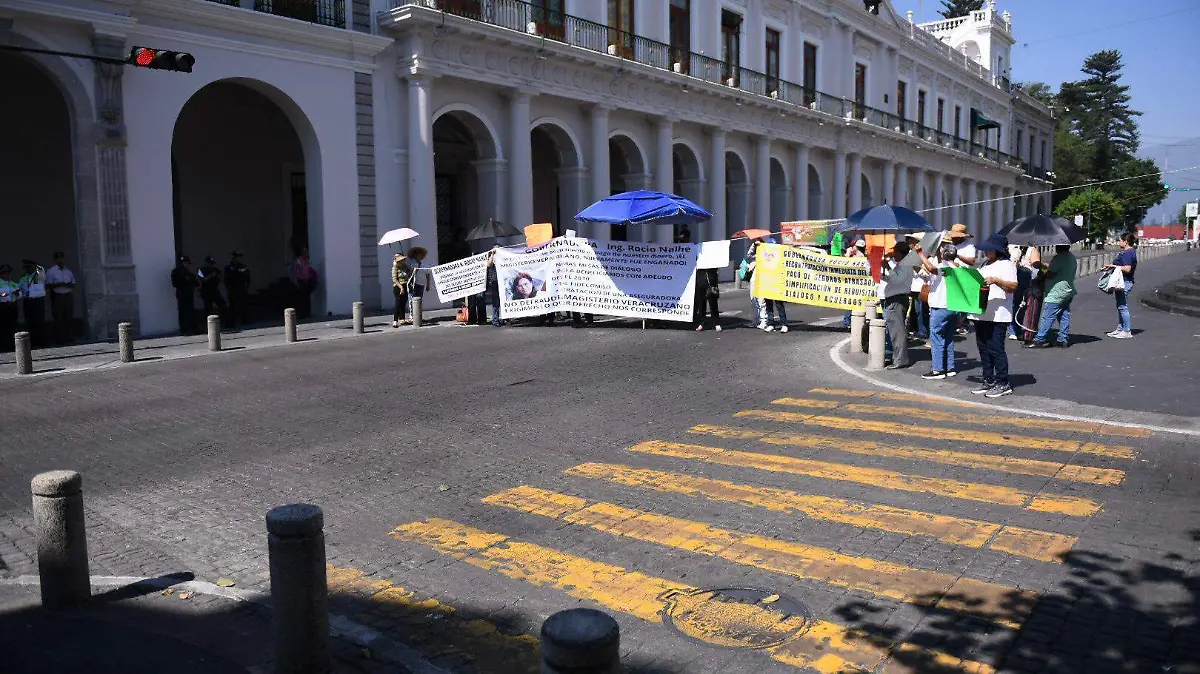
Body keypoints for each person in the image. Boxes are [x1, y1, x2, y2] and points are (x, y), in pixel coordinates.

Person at [968, 234, 1018, 398]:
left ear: (999, 250)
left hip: (998, 315)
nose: (987, 252)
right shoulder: (984, 264)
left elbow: (1013, 286)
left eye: (990, 250)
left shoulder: (1007, 265)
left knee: (996, 349)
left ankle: (1003, 382)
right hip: (981, 314)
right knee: (983, 349)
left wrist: (996, 280)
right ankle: (988, 379)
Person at [917, 238, 962, 380]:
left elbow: (931, 268)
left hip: (940, 306)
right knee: (948, 338)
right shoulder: (958, 267)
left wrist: (920, 254)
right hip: (953, 306)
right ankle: (950, 367)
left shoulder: (943, 267)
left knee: (937, 338)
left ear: (944, 255)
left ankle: (938, 370)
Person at [1025, 245, 1077, 348]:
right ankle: (1063, 339)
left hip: (1056, 292)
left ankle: (1039, 339)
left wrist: (1041, 272)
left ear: (1058, 247)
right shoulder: (1071, 257)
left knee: (1048, 316)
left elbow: (1050, 274)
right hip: (1068, 290)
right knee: (1063, 315)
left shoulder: (1058, 258)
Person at [882, 240, 917, 369]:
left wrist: (888, 268)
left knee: (897, 332)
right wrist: (882, 276)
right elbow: (894, 280)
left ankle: (900, 359)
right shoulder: (902, 264)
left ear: (900, 253)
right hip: (896, 299)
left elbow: (897, 280)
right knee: (895, 331)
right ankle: (898, 357)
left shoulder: (905, 265)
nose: (893, 254)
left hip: (897, 300)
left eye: (895, 252)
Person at [1104, 233, 1138, 339]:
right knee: (1120, 305)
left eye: (1120, 240)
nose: (1118, 242)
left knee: (1122, 306)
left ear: (1125, 242)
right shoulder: (1126, 252)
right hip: (1122, 281)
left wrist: (1114, 266)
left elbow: (1127, 268)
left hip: (1125, 282)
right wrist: (1111, 267)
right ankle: (1120, 328)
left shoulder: (1128, 253)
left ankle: (1126, 330)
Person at [945, 224, 975, 336]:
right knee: (953, 301)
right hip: (952, 274)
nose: (953, 238)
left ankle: (963, 324)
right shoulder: (950, 245)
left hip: (964, 275)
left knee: (963, 302)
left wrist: (957, 255)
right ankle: (954, 323)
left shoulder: (969, 247)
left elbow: (971, 261)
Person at [1006, 244, 1040, 341]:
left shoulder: (1011, 247)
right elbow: (1036, 264)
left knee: (1013, 303)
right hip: (1025, 275)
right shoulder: (1032, 249)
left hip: (1012, 274)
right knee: (1022, 303)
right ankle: (1015, 330)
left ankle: (1012, 329)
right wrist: (1045, 267)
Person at [46, 252, 77, 344]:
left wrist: (66, 285)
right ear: (55, 260)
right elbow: (48, 285)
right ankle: (59, 338)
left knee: (68, 317)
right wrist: (59, 284)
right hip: (57, 297)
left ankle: (69, 336)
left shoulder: (68, 271)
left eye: (62, 258)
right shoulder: (51, 271)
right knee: (58, 318)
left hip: (68, 296)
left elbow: (73, 284)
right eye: (58, 258)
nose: (61, 260)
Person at [904, 233, 929, 340]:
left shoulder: (924, 253)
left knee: (921, 310)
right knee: (913, 310)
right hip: (911, 285)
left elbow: (928, 271)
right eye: (908, 240)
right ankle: (915, 328)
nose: (909, 242)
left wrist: (916, 267)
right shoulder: (909, 253)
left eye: (911, 240)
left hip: (920, 285)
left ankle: (923, 330)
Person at [18, 259, 47, 346]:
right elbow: (19, 288)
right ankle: (32, 342)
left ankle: (41, 342)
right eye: (26, 267)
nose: (28, 269)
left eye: (30, 267)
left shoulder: (40, 275)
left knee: (39, 321)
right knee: (29, 322)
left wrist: (36, 264)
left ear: (34, 267)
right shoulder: (23, 277)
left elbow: (41, 268)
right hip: (27, 301)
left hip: (37, 301)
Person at [841, 239, 867, 328]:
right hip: (857, 284)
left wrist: (848, 255)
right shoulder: (863, 257)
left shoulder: (858, 257)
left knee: (852, 303)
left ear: (857, 247)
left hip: (855, 284)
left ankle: (847, 321)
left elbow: (846, 265)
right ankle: (849, 321)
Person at [170, 255, 199, 335]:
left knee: (186, 312)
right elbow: (176, 283)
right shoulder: (179, 272)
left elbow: (195, 282)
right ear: (184, 263)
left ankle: (188, 329)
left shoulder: (179, 271)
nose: (188, 265)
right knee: (186, 312)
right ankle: (187, 330)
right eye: (188, 263)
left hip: (184, 293)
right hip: (183, 293)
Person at [224, 251, 252, 329]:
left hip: (242, 288)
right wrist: (229, 289)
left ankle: (245, 319)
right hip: (233, 289)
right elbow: (226, 279)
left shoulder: (243, 266)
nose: (238, 259)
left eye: (239, 257)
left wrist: (247, 286)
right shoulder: (228, 268)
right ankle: (232, 322)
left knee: (244, 304)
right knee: (232, 306)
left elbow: (248, 277)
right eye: (236, 257)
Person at [197, 256, 227, 324]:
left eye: (212, 263)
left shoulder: (215, 270)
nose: (211, 265)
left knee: (222, 305)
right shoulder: (201, 270)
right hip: (206, 290)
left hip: (215, 289)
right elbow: (202, 280)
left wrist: (219, 276)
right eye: (209, 263)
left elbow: (221, 279)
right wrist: (211, 276)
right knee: (208, 308)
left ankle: (224, 321)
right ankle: (208, 324)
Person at [290, 247, 318, 319]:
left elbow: (309, 270)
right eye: (305, 251)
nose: (307, 253)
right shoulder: (298, 261)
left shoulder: (307, 261)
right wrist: (296, 283)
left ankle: (307, 313)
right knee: (301, 298)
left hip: (307, 281)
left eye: (307, 251)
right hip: (301, 281)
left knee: (307, 297)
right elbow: (295, 273)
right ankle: (301, 313)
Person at [406, 247, 430, 325]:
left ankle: (418, 315)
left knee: (419, 300)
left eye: (419, 254)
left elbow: (427, 274)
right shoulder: (411, 264)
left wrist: (428, 285)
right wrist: (413, 271)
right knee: (411, 300)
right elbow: (409, 275)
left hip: (421, 284)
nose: (418, 255)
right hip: (413, 284)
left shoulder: (425, 264)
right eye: (416, 254)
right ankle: (411, 316)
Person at [693, 267, 722, 332]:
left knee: (713, 303)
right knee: (701, 304)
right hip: (700, 280)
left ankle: (716, 323)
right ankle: (702, 323)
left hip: (711, 280)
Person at [0, 264, 20, 350]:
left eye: (7, 272)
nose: (6, 274)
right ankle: (4, 344)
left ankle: (12, 344)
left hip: (12, 305)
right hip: (2, 306)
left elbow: (19, 294)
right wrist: (8, 293)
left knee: (13, 325)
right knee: (3, 325)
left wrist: (16, 294)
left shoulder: (13, 283)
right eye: (3, 272)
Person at [391, 252, 409, 327]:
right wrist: (401, 287)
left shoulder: (405, 266)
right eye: (402, 260)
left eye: (403, 259)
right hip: (398, 287)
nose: (403, 260)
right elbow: (394, 279)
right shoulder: (395, 267)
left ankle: (402, 319)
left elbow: (409, 273)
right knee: (398, 303)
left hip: (405, 285)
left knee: (403, 303)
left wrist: (413, 270)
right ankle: (395, 321)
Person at [485, 248, 501, 327]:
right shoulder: (492, 259)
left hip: (503, 282)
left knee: (504, 301)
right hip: (495, 282)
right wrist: (492, 254)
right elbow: (489, 264)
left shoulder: (502, 258)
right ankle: (495, 319)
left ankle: (506, 318)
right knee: (496, 302)